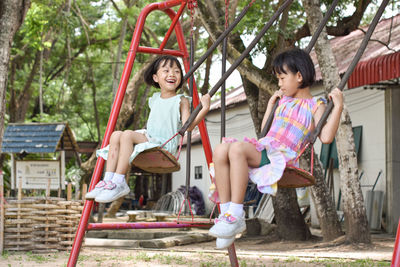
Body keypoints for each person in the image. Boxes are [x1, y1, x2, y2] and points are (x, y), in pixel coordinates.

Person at [208, 48, 344, 249]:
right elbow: (264, 132)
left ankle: (236, 214)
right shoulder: (284, 101)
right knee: (220, 150)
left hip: (281, 156)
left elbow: (325, 137)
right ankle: (227, 213)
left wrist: (338, 107)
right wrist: (271, 105)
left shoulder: (315, 105)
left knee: (236, 149)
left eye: (282, 78)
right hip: (266, 147)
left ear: (299, 76)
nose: (279, 84)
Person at [86, 55, 211, 203]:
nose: (172, 74)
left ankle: (119, 182)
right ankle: (108, 181)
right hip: (150, 137)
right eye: (166, 71)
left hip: (164, 143)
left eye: (177, 71)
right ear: (156, 78)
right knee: (115, 135)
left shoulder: (181, 100)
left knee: (126, 135)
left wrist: (205, 108)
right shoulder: (155, 98)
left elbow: (188, 126)